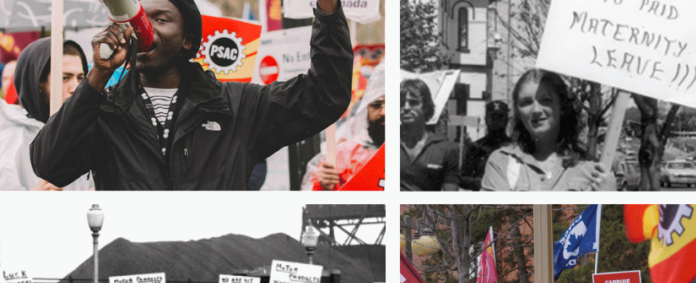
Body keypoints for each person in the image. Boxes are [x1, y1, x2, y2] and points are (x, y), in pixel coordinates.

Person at [29, 0, 352, 189]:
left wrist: (327, 10)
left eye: (160, 19)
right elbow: (50, 165)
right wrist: (97, 75)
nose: (144, 28)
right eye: (140, 19)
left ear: (187, 40)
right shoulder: (105, 110)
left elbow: (325, 95)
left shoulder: (238, 106)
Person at [481, 69, 615, 191]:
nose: (536, 110)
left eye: (546, 100)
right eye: (526, 102)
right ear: (518, 112)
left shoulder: (592, 170)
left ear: (562, 106)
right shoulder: (501, 163)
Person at [0, 37, 92, 190]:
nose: (75, 88)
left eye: (80, 78)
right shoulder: (11, 139)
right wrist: (36, 199)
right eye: (65, 78)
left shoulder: (88, 132)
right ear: (38, 84)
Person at [306, 61, 383, 191]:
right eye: (376, 105)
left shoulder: (423, 153)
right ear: (366, 108)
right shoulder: (343, 154)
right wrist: (324, 186)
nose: (383, 112)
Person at [400, 77, 459, 191]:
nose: (406, 108)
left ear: (426, 106)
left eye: (413, 102)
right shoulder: (384, 142)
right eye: (401, 103)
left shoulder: (446, 148)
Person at [460, 100, 511, 190]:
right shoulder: (475, 148)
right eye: (492, 117)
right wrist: (482, 183)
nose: (496, 121)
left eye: (499, 117)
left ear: (506, 120)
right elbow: (462, 178)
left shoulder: (515, 148)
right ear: (486, 119)